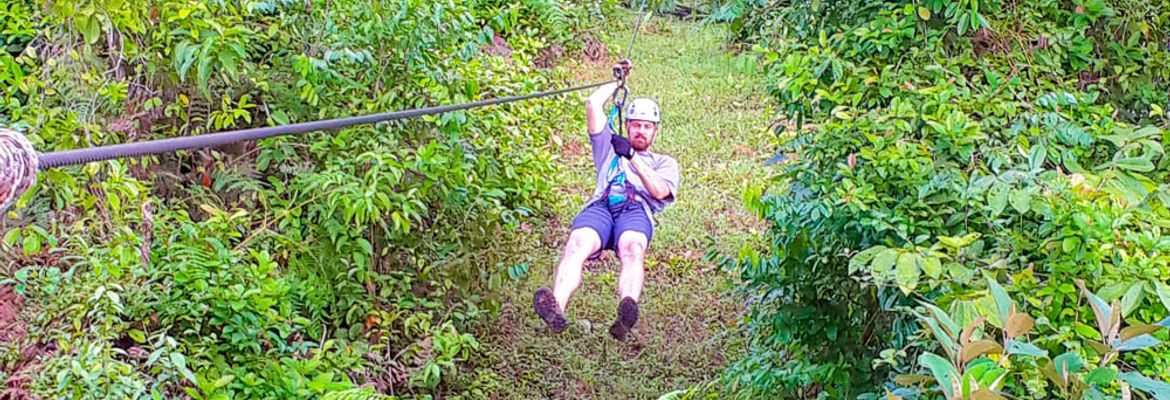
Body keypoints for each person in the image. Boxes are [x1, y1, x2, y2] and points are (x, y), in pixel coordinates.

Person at [532, 63, 681, 341]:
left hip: (635, 209)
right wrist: (618, 82)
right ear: (627, 125)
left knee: (633, 249)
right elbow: (593, 104)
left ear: (655, 131)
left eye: (647, 127)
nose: (641, 131)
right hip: (601, 205)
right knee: (577, 244)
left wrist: (632, 157)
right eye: (636, 125)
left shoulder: (664, 162)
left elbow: (660, 191)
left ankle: (626, 312)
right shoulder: (607, 146)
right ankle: (556, 310)